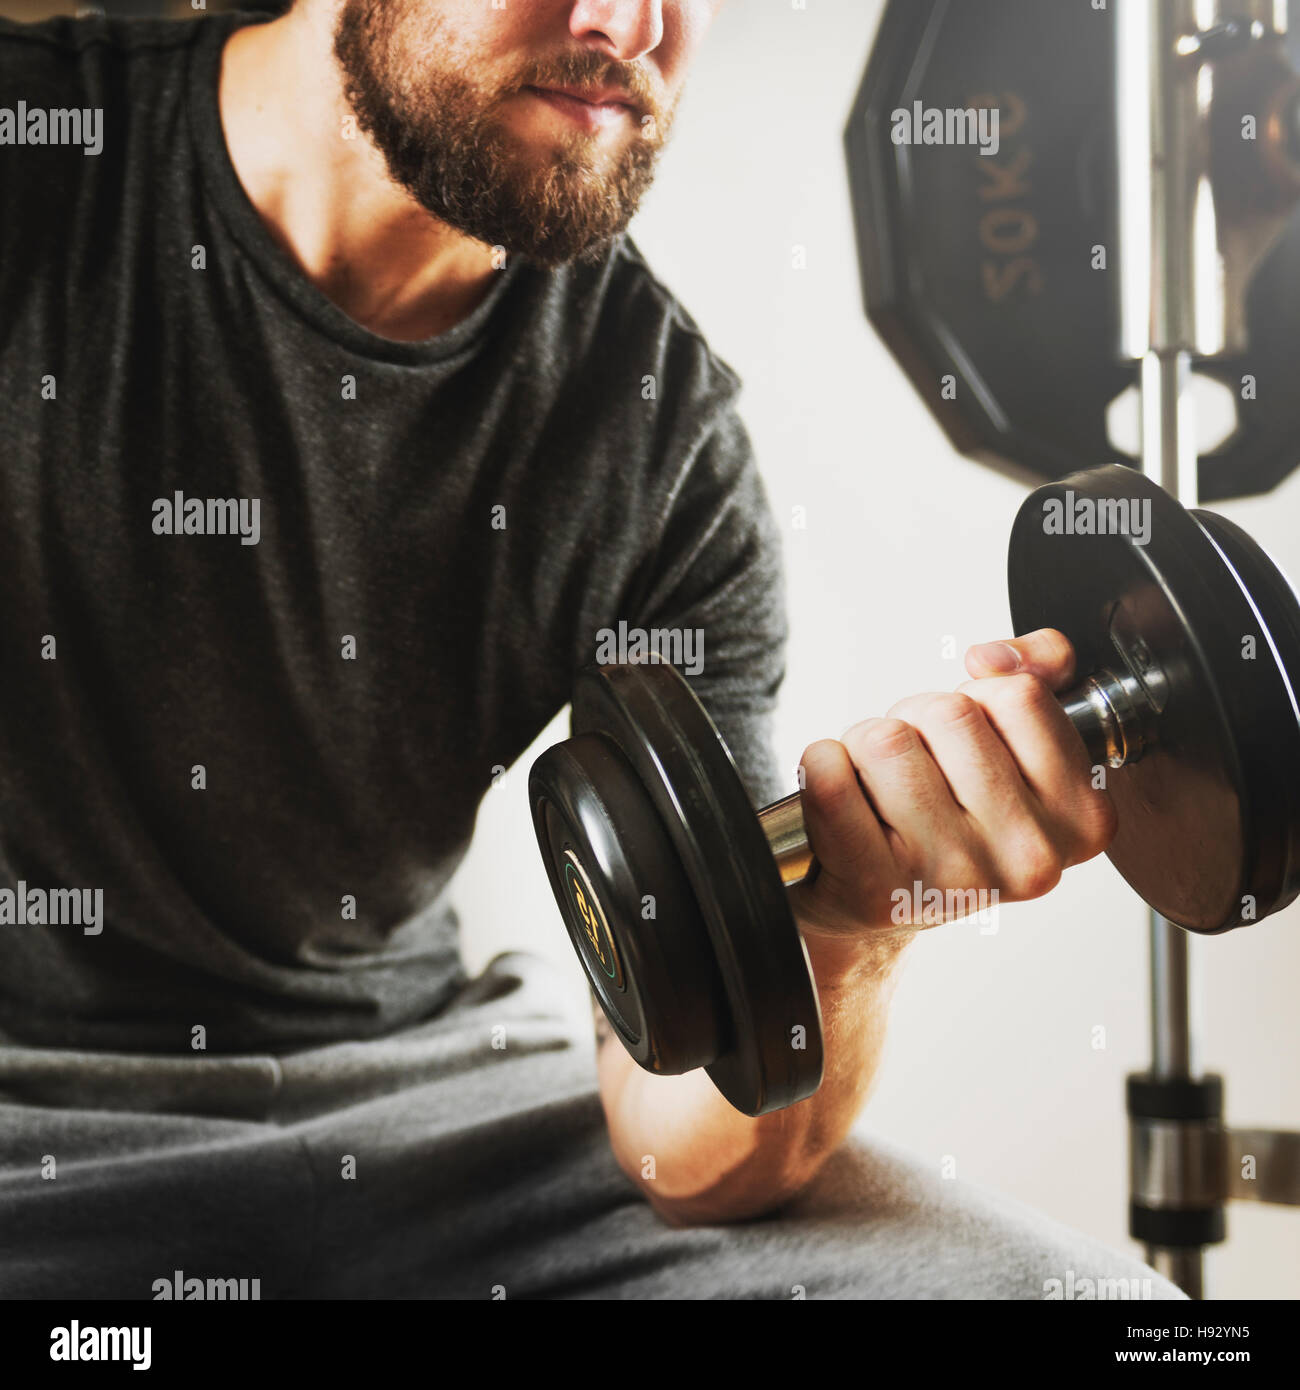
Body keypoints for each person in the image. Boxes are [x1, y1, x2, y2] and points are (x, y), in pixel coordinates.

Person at [0, 0, 1179, 1298]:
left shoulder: (659, 442)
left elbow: (684, 1152)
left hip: (431, 1125)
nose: (630, 23)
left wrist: (848, 934)